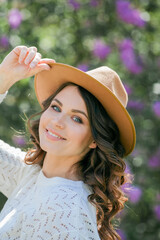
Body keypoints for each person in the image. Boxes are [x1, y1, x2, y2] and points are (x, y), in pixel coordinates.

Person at [0, 46, 136, 240]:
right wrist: (4, 77)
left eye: (77, 119)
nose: (57, 122)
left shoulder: (67, 213)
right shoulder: (32, 174)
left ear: (95, 140)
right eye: (56, 107)